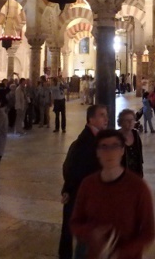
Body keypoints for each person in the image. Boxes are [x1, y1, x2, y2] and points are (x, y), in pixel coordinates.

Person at [70, 129, 155, 259]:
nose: (109, 152)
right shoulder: (88, 184)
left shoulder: (138, 187)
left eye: (114, 146)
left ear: (122, 150)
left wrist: (120, 253)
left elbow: (148, 233)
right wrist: (91, 233)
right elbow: (75, 223)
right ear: (97, 152)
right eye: (104, 147)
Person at [59, 104, 109, 259]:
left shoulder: (96, 138)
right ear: (91, 119)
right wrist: (68, 189)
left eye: (106, 115)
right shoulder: (85, 142)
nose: (106, 118)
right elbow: (73, 169)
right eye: (101, 115)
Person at [117, 109, 144, 177]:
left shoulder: (135, 134)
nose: (130, 122)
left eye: (132, 120)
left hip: (136, 174)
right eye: (127, 120)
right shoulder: (116, 136)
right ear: (121, 122)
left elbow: (139, 156)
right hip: (121, 175)